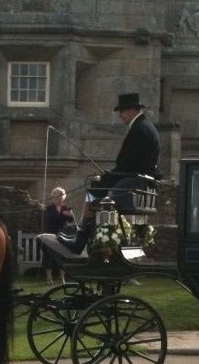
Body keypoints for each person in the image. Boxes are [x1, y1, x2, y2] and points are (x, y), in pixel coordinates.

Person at [61, 92, 161, 254]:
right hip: (138, 181)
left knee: (93, 190)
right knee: (98, 186)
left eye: (122, 111)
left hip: (132, 182)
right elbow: (132, 162)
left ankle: (80, 239)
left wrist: (109, 175)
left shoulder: (139, 130)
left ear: (132, 110)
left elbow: (129, 164)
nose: (120, 115)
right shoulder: (145, 128)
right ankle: (86, 238)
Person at [41, 187, 75, 284]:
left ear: (63, 197)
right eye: (56, 198)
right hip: (51, 233)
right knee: (48, 256)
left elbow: (71, 221)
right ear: (53, 198)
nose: (58, 200)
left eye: (60, 198)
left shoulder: (66, 207)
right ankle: (49, 278)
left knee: (63, 255)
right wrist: (62, 215)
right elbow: (50, 220)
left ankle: (62, 278)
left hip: (63, 234)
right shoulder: (48, 208)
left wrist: (69, 215)